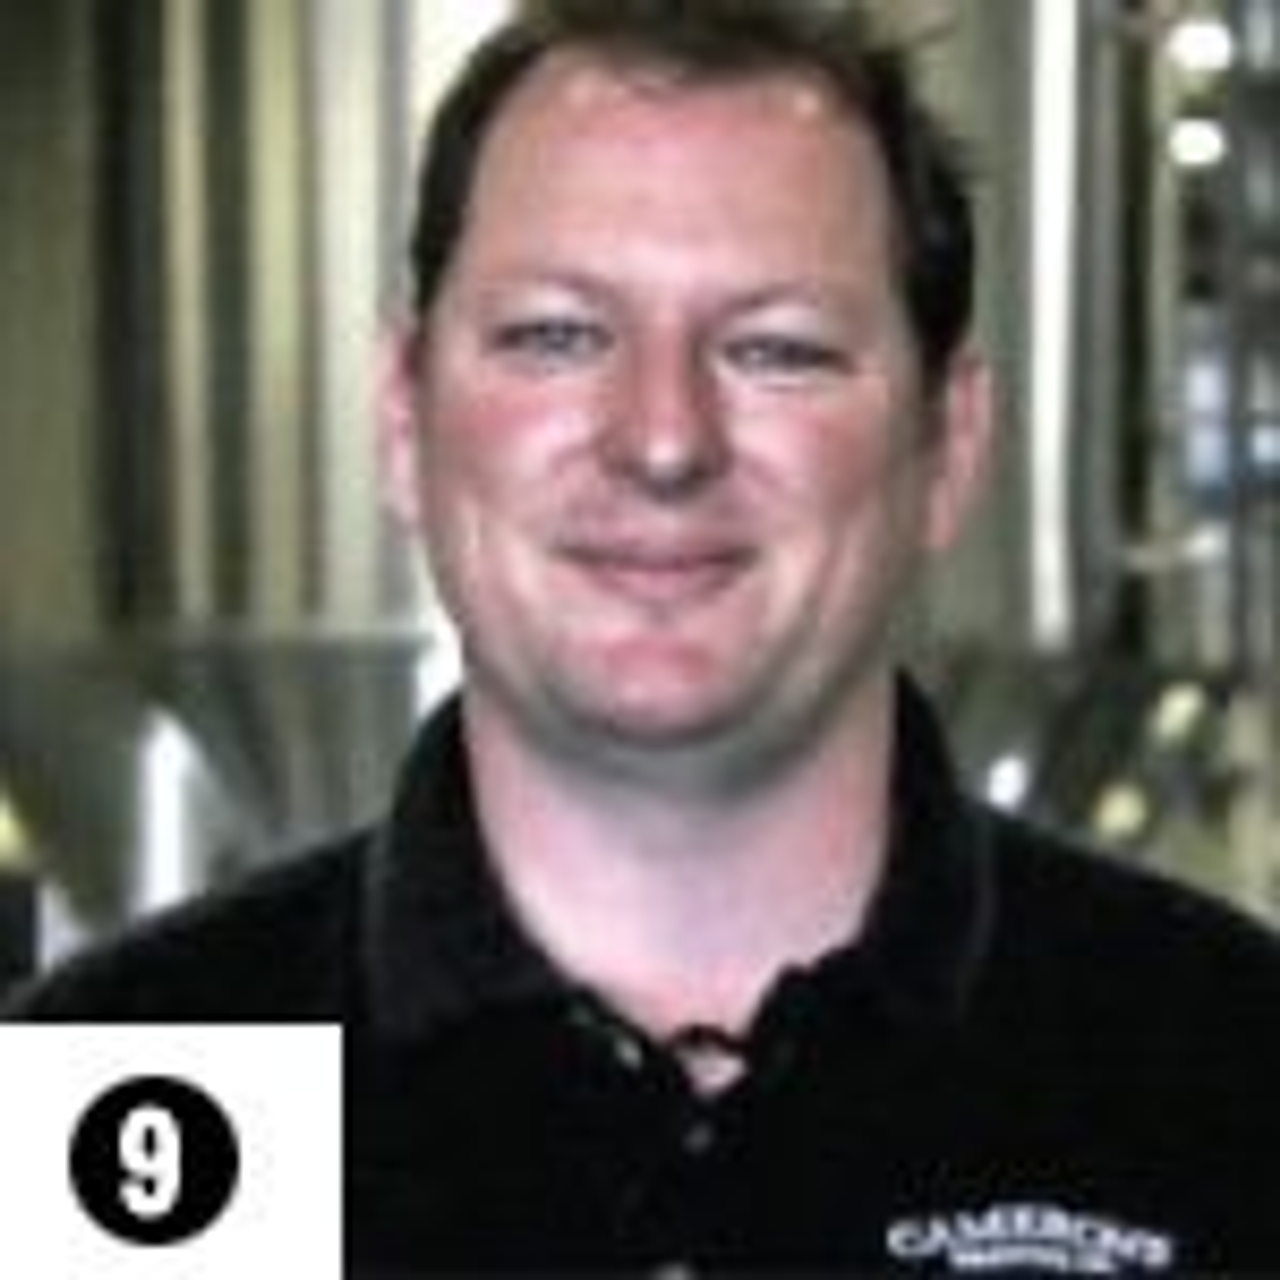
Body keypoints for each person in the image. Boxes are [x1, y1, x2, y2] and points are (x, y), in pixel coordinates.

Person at [8, 0, 1280, 1272]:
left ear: (945, 444)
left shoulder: (1223, 1069)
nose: (662, 439)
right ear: (403, 420)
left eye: (776, 349)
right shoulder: (132, 1079)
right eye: (554, 337)